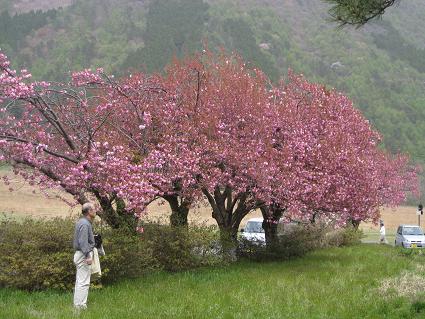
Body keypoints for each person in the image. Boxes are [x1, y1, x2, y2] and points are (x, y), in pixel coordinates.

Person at [73, 202, 96, 310]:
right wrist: (87, 255)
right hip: (83, 255)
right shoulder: (85, 224)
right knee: (83, 282)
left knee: (80, 281)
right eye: (94, 209)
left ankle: (78, 305)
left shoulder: (83, 222)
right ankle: (80, 307)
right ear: (89, 211)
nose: (95, 211)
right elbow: (82, 242)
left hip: (81, 254)